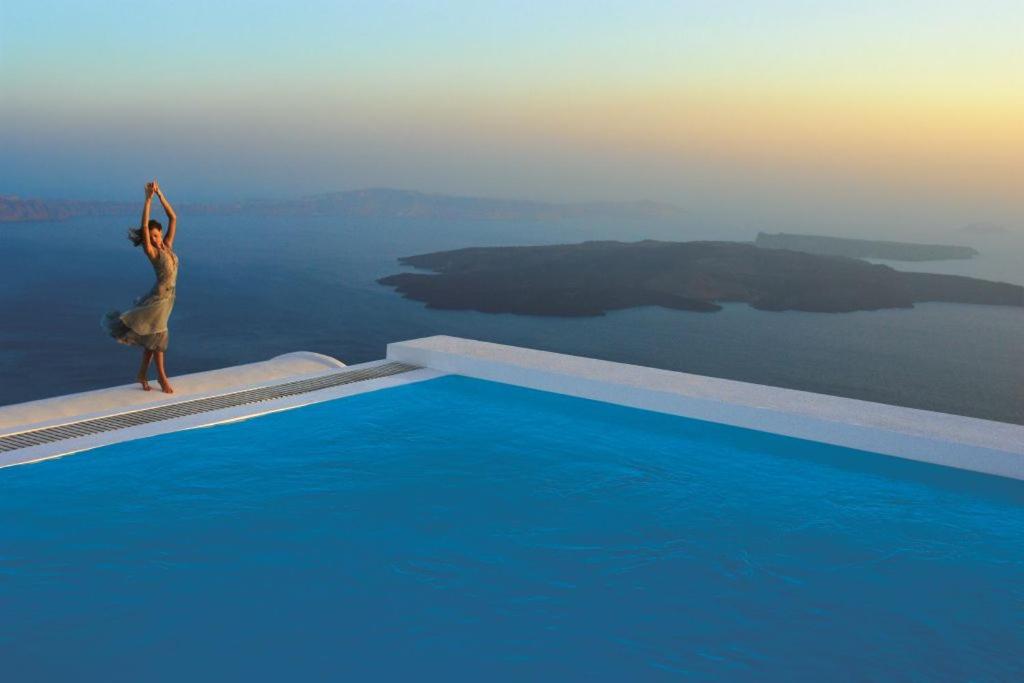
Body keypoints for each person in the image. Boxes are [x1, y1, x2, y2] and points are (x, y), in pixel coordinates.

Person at [102, 180, 179, 393]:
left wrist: (161, 195)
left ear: (161, 233)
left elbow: (173, 218)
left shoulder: (168, 247)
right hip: (158, 301)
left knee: (152, 341)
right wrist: (147, 200)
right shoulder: (153, 253)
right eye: (151, 237)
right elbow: (144, 227)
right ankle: (162, 378)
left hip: (168, 300)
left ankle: (142, 374)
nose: (154, 240)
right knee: (160, 337)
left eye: (157, 235)